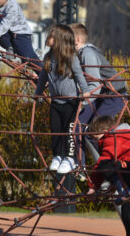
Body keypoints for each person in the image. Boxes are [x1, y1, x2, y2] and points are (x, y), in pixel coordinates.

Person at [33, 25, 91, 174]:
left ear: (60, 39)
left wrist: (85, 91)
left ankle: (70, 158)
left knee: (69, 131)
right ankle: (58, 156)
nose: (49, 39)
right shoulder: (48, 57)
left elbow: (79, 75)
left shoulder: (70, 57)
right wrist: (37, 93)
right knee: (56, 130)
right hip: (56, 101)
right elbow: (42, 78)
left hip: (71, 102)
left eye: (52, 36)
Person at [70, 23, 127, 169]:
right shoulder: (78, 55)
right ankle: (79, 165)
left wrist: (82, 103)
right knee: (78, 125)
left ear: (76, 39)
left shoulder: (88, 54)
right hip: (101, 96)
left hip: (114, 95)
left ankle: (108, 166)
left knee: (95, 130)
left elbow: (94, 85)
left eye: (66, 39)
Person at [87, 116, 130, 236]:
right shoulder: (124, 136)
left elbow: (104, 162)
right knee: (128, 214)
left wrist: (92, 187)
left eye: (96, 138)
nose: (96, 142)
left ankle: (124, 190)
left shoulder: (113, 138)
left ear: (105, 132)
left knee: (104, 164)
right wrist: (114, 182)